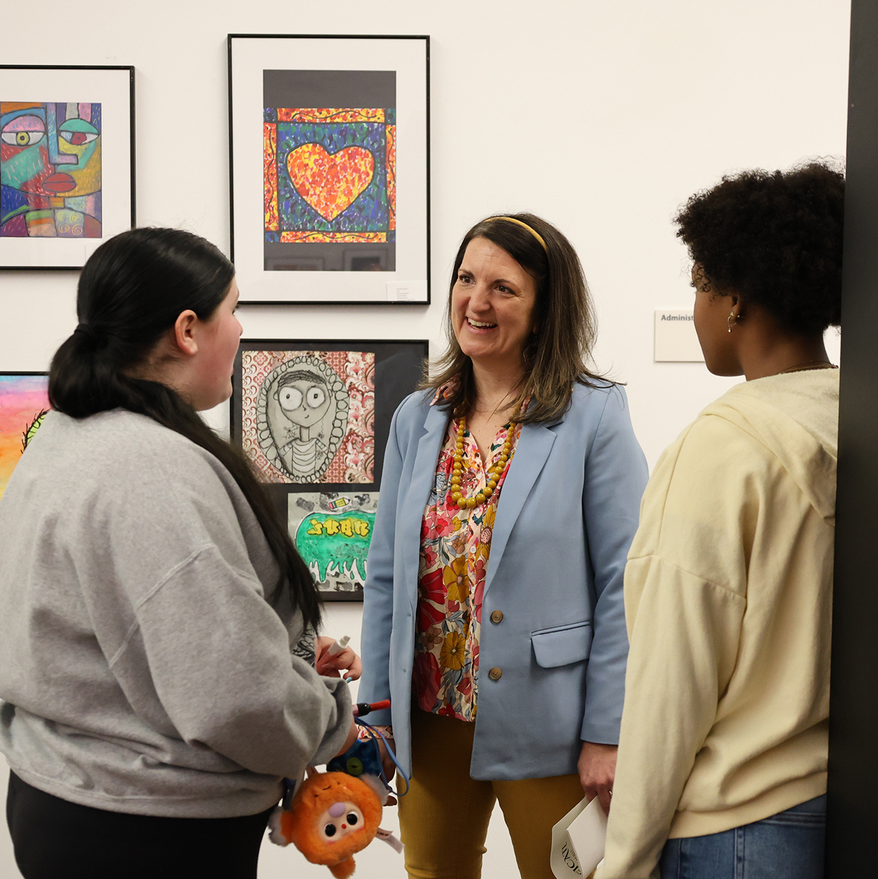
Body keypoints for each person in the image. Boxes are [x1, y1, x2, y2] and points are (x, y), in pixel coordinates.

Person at [0, 227, 358, 879]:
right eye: (233, 310)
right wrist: (332, 720)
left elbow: (148, 636)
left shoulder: (71, 435)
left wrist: (287, 655)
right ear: (187, 330)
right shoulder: (151, 468)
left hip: (75, 797)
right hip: (146, 828)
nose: (239, 330)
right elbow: (234, 697)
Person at [356, 213, 649, 879]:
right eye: (466, 279)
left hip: (550, 724)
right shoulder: (418, 416)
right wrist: (377, 711)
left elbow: (624, 581)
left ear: (545, 309)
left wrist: (608, 731)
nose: (477, 302)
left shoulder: (594, 414)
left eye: (503, 288)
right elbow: (386, 579)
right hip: (427, 721)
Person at [598, 161, 844, 879]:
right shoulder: (850, 418)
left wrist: (624, 860)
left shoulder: (722, 445)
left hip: (738, 827)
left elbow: (672, 681)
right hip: (838, 806)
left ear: (734, 300)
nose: (698, 307)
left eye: (699, 285)